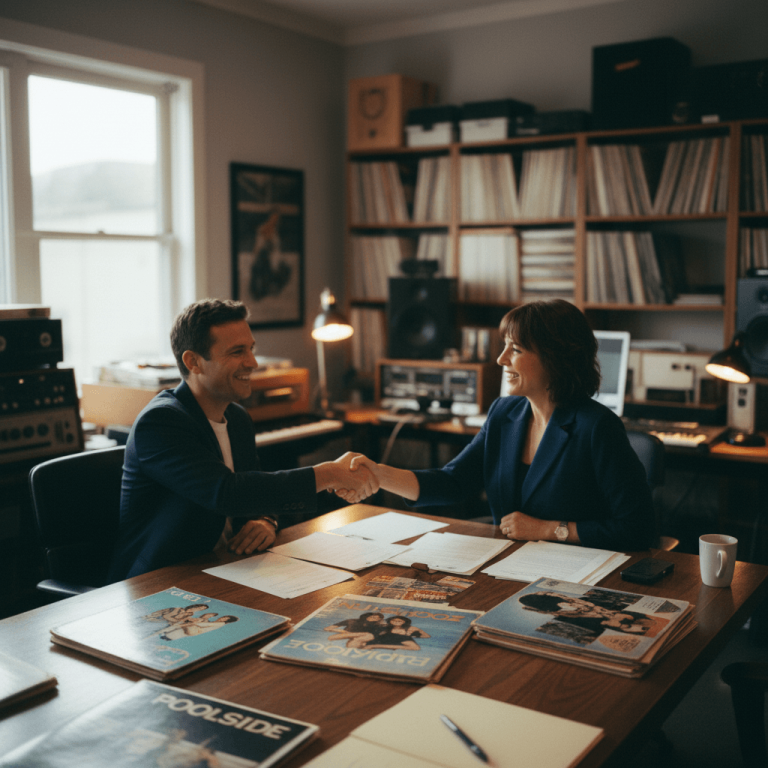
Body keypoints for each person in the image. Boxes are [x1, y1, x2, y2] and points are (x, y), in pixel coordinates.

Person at [342, 300, 655, 551]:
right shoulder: (504, 413)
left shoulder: (598, 427)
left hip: (579, 569)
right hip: (511, 562)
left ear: (555, 359)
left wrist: (550, 530)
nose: (501, 359)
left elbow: (638, 529)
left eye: (515, 349)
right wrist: (378, 474)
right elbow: (454, 481)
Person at [108, 298, 378, 581]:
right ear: (193, 362)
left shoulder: (236, 418)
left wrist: (266, 520)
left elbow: (257, 488)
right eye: (237, 352)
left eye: (251, 349)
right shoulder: (161, 423)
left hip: (225, 566)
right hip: (159, 581)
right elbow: (227, 494)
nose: (253, 362)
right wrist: (327, 474)